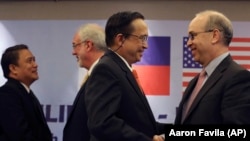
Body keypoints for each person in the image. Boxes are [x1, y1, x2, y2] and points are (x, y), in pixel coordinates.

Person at [84, 11, 165, 141]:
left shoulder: (120, 69)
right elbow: (102, 123)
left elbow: (143, 125)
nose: (146, 45)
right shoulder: (106, 69)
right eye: (142, 38)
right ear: (120, 39)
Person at [175, 10, 250, 124]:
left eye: (193, 36)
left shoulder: (238, 78)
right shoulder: (194, 82)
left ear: (215, 36)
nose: (188, 43)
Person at [63, 23, 107, 141]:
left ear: (88, 45)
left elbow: (101, 126)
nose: (73, 52)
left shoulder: (104, 75)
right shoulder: (96, 74)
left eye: (75, 46)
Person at [0, 44, 52, 141]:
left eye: (34, 60)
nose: (35, 65)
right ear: (13, 68)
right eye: (29, 61)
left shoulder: (26, 93)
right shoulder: (6, 94)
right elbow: (20, 136)